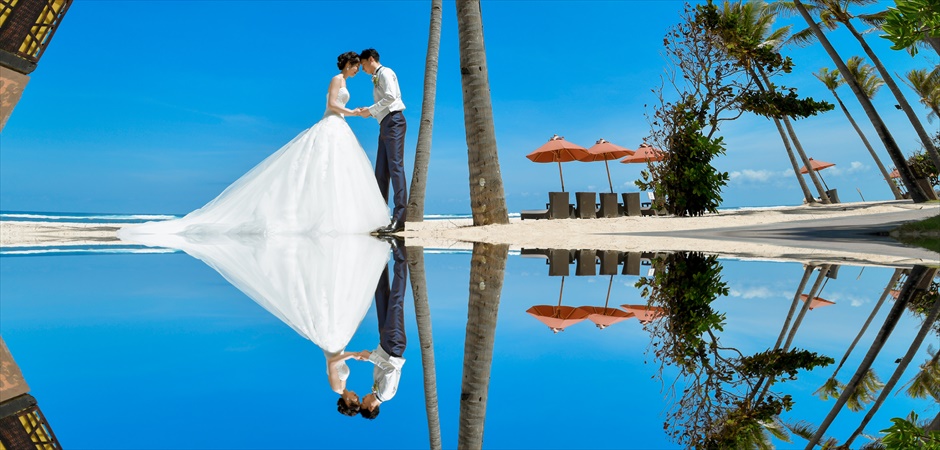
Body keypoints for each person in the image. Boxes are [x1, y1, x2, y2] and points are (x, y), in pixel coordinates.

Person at [117, 51, 389, 238]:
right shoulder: (336, 80)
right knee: (318, 169)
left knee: (335, 172)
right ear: (349, 65)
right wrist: (354, 112)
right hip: (332, 123)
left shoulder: (344, 81)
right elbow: (332, 104)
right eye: (356, 67)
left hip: (338, 128)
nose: (357, 71)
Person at [356, 49, 408, 235]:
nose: (362, 69)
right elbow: (382, 104)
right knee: (381, 171)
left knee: (395, 168)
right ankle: (381, 217)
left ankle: (400, 218)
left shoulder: (386, 72)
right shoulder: (377, 77)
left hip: (394, 121)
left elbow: (391, 97)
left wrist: (370, 110)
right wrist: (369, 112)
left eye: (363, 65)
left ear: (371, 60)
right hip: (385, 124)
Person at [358, 236, 408, 419]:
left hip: (384, 340)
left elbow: (380, 361)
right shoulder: (386, 394)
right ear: (370, 408)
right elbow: (389, 369)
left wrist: (369, 355)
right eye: (363, 402)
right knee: (396, 299)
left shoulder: (375, 388)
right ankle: (400, 250)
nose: (362, 398)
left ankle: (381, 248)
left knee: (380, 294)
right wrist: (370, 357)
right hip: (394, 345)